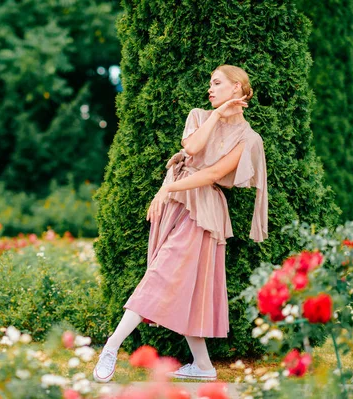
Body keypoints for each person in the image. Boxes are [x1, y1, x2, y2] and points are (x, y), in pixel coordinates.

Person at [92, 65, 268, 383]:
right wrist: (217, 115)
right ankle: (203, 366)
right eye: (210, 84)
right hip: (178, 205)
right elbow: (192, 149)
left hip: (205, 211)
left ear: (237, 88)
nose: (209, 89)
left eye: (217, 83)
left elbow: (214, 175)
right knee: (185, 285)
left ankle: (111, 347)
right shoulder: (200, 115)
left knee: (162, 276)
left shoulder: (249, 139)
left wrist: (167, 188)